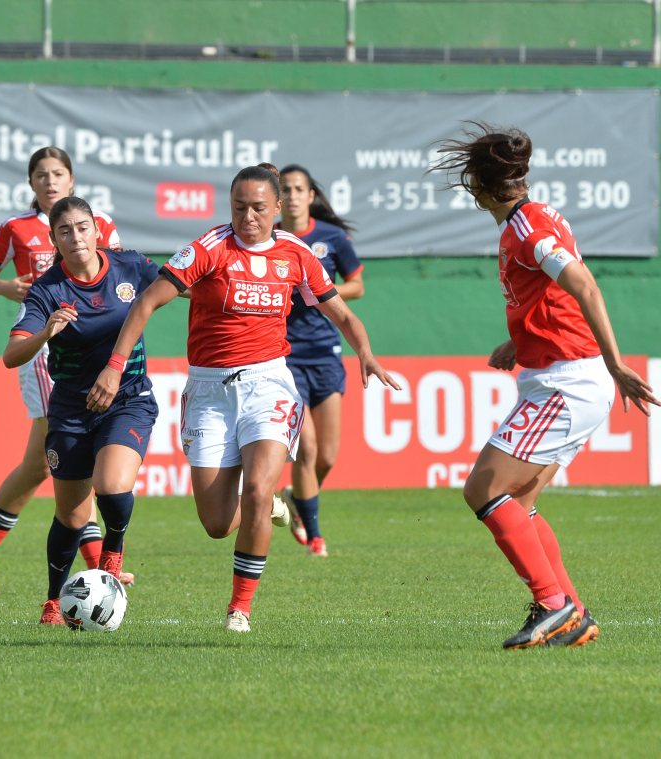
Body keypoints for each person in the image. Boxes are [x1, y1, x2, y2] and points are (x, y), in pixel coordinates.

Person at [87, 166, 399, 632]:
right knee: (216, 523)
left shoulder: (295, 254)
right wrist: (114, 366)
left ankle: (240, 607)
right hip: (209, 390)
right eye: (239, 207)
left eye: (258, 208)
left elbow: (342, 313)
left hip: (268, 383)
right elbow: (147, 301)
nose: (248, 216)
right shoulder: (209, 248)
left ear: (277, 209)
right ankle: (271, 505)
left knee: (255, 488)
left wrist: (367, 353)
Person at [433, 124, 659, 649]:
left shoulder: (528, 230)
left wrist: (616, 362)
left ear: (480, 188)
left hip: (569, 381)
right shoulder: (532, 220)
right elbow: (553, 295)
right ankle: (574, 614)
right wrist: (521, 339)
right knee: (523, 500)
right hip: (559, 374)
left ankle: (552, 605)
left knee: (483, 490)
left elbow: (583, 284)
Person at [0, 146, 132, 594]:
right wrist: (5, 287)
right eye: (41, 175)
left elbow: (118, 278)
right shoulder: (16, 228)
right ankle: (101, 569)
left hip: (94, 346)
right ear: (31, 184)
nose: (50, 181)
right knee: (58, 458)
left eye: (58, 173)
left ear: (72, 180)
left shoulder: (99, 224)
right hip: (43, 346)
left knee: (50, 462)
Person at [3, 196, 159, 625]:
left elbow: (178, 286)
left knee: (110, 486)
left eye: (83, 227)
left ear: (97, 230)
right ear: (53, 238)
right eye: (65, 230)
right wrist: (46, 332)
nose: (76, 237)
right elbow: (12, 354)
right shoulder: (47, 289)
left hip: (129, 399)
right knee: (71, 517)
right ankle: (54, 600)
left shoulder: (130, 267)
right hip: (71, 409)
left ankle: (113, 550)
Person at [274, 164, 365, 558]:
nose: (292, 195)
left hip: (326, 351)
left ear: (311, 196)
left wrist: (321, 290)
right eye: (286, 189)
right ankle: (314, 536)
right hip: (285, 354)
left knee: (327, 455)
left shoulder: (331, 238)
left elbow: (358, 285)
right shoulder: (270, 237)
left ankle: (296, 497)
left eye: (299, 189)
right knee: (307, 449)